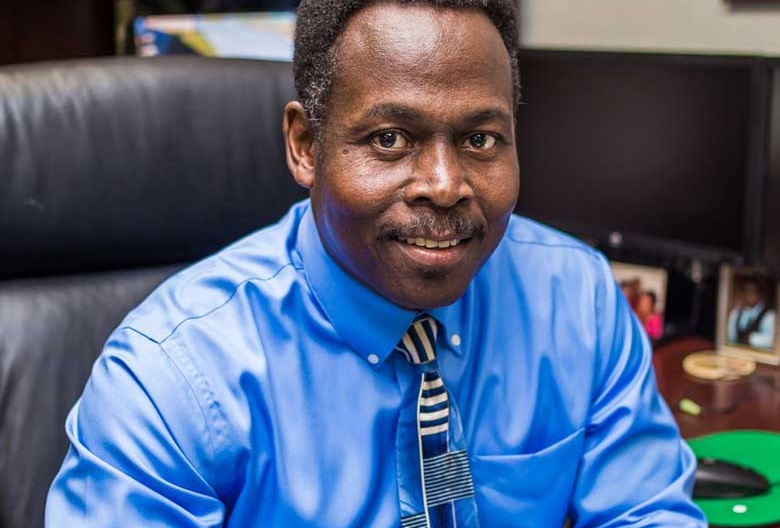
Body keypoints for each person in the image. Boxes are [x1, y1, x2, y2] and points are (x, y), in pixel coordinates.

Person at [45, 0, 706, 526]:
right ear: (306, 145)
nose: (445, 185)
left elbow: (646, 512)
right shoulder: (171, 379)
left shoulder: (578, 299)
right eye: (390, 139)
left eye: (481, 139)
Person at [727, 278, 776, 350]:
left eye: (753, 291)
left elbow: (771, 341)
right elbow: (730, 337)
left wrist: (751, 339)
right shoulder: (736, 313)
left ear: (759, 294)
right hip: (737, 353)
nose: (750, 294)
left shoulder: (769, 315)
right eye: (747, 291)